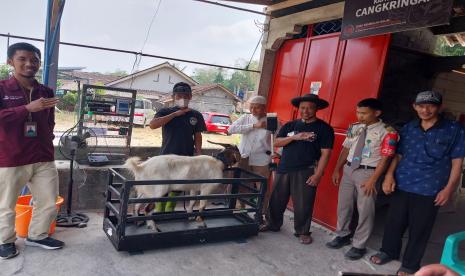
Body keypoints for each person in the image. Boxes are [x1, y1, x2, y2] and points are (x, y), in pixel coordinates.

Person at [370, 91, 465, 276]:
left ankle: (410, 264)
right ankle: (388, 251)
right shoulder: (409, 128)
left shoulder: (454, 129)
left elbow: (457, 162)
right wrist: (389, 176)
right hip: (402, 182)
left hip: (430, 188)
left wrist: (449, 190)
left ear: (440, 107)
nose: (425, 110)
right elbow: (399, 154)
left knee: (420, 228)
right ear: (414, 106)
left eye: (431, 105)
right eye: (421, 105)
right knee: (394, 222)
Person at [0, 42, 62, 260]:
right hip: (11, 157)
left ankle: (37, 235)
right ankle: (5, 241)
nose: (29, 64)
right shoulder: (2, 88)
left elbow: (50, 120)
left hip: (43, 156)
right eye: (22, 59)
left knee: (48, 200)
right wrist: (26, 109)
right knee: (6, 203)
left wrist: (49, 137)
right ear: (10, 62)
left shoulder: (45, 91)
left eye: (34, 60)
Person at [326, 98, 398, 260]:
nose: (360, 116)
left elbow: (386, 158)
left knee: (365, 210)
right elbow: (346, 148)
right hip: (349, 169)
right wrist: (337, 169)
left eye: (364, 113)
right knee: (343, 206)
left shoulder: (388, 132)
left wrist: (373, 179)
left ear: (377, 113)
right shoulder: (355, 127)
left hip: (368, 173)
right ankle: (342, 235)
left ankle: (359, 245)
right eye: (358, 112)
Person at [262, 93, 334, 245]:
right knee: (276, 199)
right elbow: (277, 143)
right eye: (303, 108)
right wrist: (294, 137)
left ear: (316, 109)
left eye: (310, 108)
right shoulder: (290, 125)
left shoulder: (324, 128)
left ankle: (303, 232)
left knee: (303, 203)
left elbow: (325, 154)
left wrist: (318, 174)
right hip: (284, 167)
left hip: (306, 170)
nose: (306, 111)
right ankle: (272, 224)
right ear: (298, 109)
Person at [149, 82, 207, 212]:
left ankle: (170, 211)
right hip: (166, 156)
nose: (183, 98)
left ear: (190, 97)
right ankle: (159, 212)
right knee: (163, 185)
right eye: (179, 96)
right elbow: (152, 125)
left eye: (186, 96)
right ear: (173, 96)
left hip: (186, 157)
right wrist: (175, 115)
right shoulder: (165, 111)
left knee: (178, 186)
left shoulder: (196, 115)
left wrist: (198, 154)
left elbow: (198, 136)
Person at [228, 95, 272, 213]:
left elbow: (279, 137)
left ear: (264, 108)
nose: (253, 110)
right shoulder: (246, 118)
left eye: (256, 108)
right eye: (251, 107)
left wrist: (277, 153)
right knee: (239, 184)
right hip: (244, 156)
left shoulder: (272, 120)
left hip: (262, 159)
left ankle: (262, 213)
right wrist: (253, 126)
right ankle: (239, 209)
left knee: (262, 187)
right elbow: (231, 129)